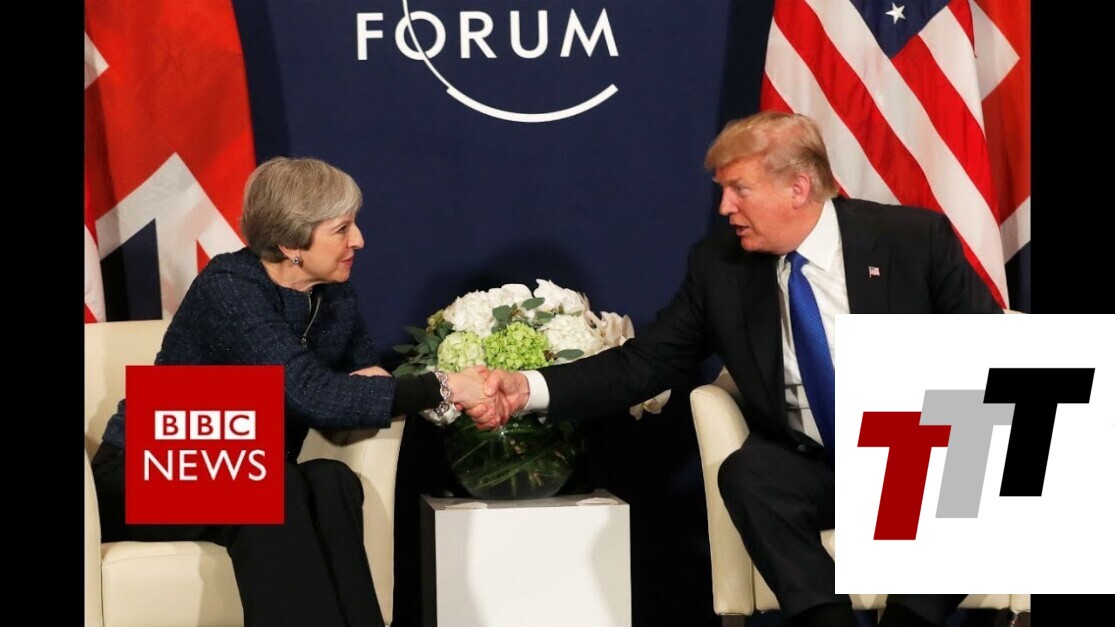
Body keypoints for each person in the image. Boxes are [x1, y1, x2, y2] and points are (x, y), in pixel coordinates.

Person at [470, 111, 1002, 627]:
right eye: (723, 190)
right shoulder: (720, 267)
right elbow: (646, 362)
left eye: (740, 189)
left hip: (919, 462)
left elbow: (995, 356)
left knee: (982, 454)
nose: (725, 207)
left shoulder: (913, 241)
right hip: (816, 467)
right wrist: (526, 389)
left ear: (798, 188)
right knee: (747, 472)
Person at [91, 156, 494, 627]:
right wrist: (445, 385)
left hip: (247, 471)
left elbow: (361, 389)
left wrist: (364, 389)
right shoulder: (228, 287)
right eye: (341, 229)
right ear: (291, 244)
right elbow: (314, 395)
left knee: (330, 480)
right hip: (145, 474)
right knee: (273, 486)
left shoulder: (335, 295)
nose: (359, 240)